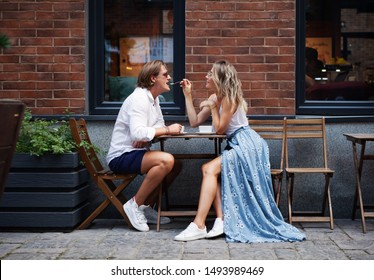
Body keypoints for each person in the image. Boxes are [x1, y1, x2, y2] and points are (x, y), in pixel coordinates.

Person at [174, 60, 306, 243]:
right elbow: (195, 121)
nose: (206, 76)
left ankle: (199, 224)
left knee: (209, 169)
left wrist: (213, 108)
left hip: (247, 143)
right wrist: (187, 95)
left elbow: (220, 130)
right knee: (211, 172)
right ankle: (219, 220)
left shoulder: (229, 98)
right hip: (237, 143)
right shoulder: (215, 97)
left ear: (219, 79)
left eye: (210, 73)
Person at [106, 60, 183, 232]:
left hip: (136, 152)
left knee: (176, 165)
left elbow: (153, 131)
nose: (169, 77)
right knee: (166, 161)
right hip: (121, 156)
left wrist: (150, 134)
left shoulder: (155, 100)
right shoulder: (139, 99)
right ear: (152, 78)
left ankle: (146, 207)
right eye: (165, 74)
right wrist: (164, 130)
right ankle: (134, 205)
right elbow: (141, 133)